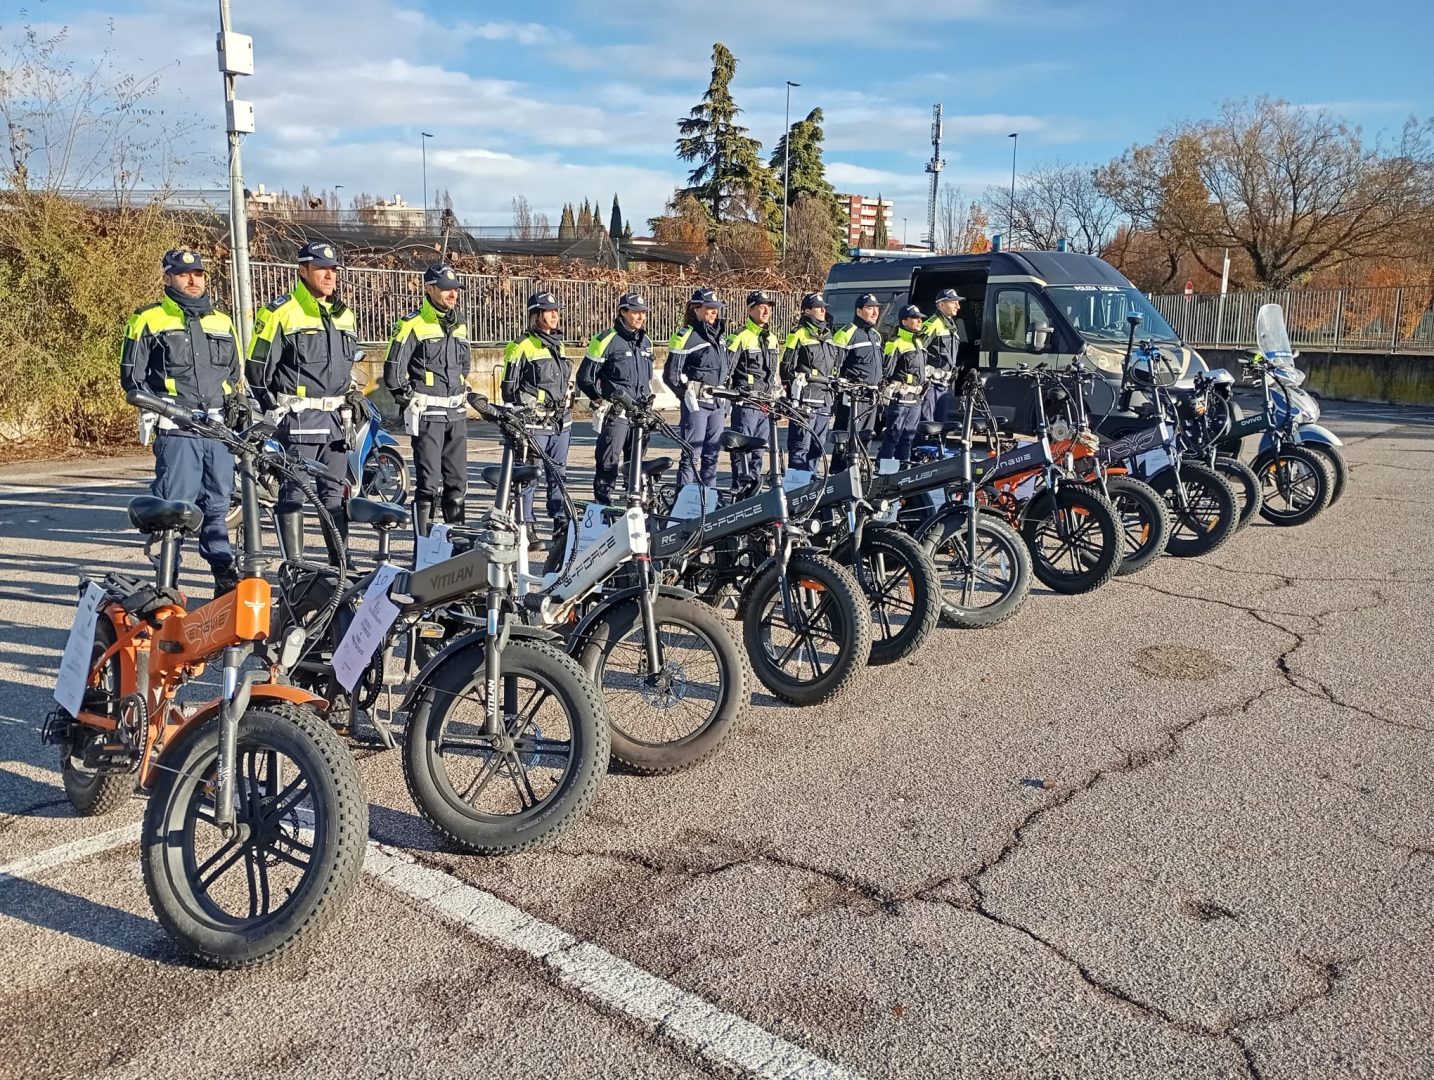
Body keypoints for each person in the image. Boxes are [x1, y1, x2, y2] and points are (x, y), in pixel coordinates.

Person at [120, 248, 247, 595]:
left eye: (198, 274)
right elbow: (133, 381)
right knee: (173, 510)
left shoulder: (222, 321)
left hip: (217, 432)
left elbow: (233, 375)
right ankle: (167, 584)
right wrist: (161, 409)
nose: (193, 280)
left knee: (218, 505)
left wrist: (238, 404)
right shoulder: (147, 319)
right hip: (177, 430)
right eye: (183, 274)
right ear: (167, 278)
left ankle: (223, 577)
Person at [246, 240, 364, 566]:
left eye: (333, 269)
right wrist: (273, 410)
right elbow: (256, 369)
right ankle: (294, 568)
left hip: (337, 423)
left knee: (334, 493)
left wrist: (351, 392)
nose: (329, 275)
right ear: (302, 270)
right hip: (298, 419)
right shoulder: (280, 312)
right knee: (294, 492)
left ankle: (341, 564)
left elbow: (343, 365)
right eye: (321, 268)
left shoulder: (344, 315)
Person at [383, 263, 471, 536]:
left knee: (458, 482)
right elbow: (393, 371)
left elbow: (464, 366)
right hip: (429, 415)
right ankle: (424, 548)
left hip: (456, 415)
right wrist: (409, 401)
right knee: (428, 483)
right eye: (445, 289)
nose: (452, 294)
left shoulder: (460, 324)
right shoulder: (412, 324)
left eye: (455, 289)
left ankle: (455, 545)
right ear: (429, 289)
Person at [501, 291, 574, 535]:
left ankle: (559, 519)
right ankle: (527, 523)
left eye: (556, 310)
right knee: (530, 473)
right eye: (549, 311)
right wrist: (524, 414)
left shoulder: (559, 343)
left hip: (560, 420)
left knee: (558, 472)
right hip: (534, 421)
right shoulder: (521, 345)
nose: (555, 315)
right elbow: (509, 389)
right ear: (536, 315)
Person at [577, 291, 655, 504]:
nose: (641, 317)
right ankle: (602, 506)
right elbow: (584, 377)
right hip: (617, 414)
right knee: (608, 462)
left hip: (640, 414)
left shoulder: (646, 341)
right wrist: (600, 401)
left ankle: (635, 506)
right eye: (635, 312)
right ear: (622, 312)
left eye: (643, 313)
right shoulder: (605, 340)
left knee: (637, 464)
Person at [664, 287, 730, 490]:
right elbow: (670, 375)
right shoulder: (685, 336)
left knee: (712, 455)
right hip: (697, 404)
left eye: (716, 308)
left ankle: (708, 499)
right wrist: (685, 394)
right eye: (709, 308)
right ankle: (685, 500)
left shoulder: (719, 335)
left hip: (718, 402)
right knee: (692, 455)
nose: (714, 312)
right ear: (696, 309)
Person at [779, 292, 841, 475]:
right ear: (807, 311)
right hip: (805, 401)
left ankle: (812, 483)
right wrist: (795, 389)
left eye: (824, 308)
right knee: (800, 446)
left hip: (825, 400)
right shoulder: (798, 333)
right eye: (818, 307)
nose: (823, 310)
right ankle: (797, 486)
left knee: (818, 447)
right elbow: (786, 367)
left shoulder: (829, 335)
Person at [724, 290, 779, 484]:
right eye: (762, 307)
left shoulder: (771, 338)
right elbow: (727, 370)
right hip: (746, 403)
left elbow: (773, 373)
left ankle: (755, 488)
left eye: (769, 308)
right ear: (750, 309)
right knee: (741, 451)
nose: (766, 311)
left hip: (765, 404)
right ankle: (740, 489)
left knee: (760, 450)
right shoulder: (739, 336)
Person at [830, 292, 885, 472]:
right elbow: (834, 367)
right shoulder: (846, 333)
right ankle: (839, 476)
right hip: (852, 399)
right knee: (846, 440)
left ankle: (860, 473)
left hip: (871, 397)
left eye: (877, 309)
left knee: (866, 438)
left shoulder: (876, 336)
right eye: (870, 308)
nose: (875, 312)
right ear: (859, 311)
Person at [878, 305, 928, 464]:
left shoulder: (919, 342)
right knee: (893, 435)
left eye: (920, 318)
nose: (919, 321)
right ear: (904, 321)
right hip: (900, 398)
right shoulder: (896, 343)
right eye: (915, 318)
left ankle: (903, 471)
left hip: (915, 399)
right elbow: (886, 372)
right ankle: (883, 469)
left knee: (909, 437)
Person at [919, 288, 965, 423]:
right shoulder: (932, 323)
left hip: (944, 384)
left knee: (942, 424)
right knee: (927, 424)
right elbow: (918, 351)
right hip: (931, 384)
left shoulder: (952, 325)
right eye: (953, 302)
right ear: (941, 305)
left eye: (958, 302)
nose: (958, 306)